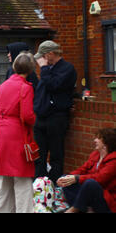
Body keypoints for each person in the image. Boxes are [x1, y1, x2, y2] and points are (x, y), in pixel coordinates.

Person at [0, 52, 37, 213]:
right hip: (17, 133)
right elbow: (27, 116)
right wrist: (34, 119)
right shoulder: (25, 87)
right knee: (22, 178)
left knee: (4, 177)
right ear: (30, 70)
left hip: (0, 132)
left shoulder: (3, 85)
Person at [33, 40, 77, 184]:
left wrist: (44, 68)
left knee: (56, 155)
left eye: (43, 56)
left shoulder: (67, 68)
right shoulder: (49, 69)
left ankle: (54, 187)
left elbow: (54, 86)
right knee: (39, 155)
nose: (41, 60)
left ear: (51, 54)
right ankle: (40, 187)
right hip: (41, 117)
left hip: (56, 118)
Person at [57, 128, 116, 213]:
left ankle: (73, 210)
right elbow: (82, 169)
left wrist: (77, 178)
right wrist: (69, 177)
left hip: (106, 201)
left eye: (98, 138)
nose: (95, 140)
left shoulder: (114, 160)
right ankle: (83, 209)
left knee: (90, 183)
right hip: (90, 197)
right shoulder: (95, 155)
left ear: (106, 143)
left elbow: (100, 178)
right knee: (65, 179)